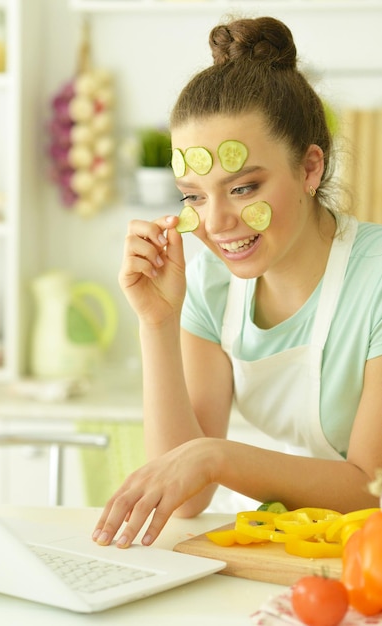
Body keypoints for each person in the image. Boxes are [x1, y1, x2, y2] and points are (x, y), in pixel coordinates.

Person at [93, 15, 382, 549]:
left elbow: (369, 489)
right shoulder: (210, 284)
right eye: (193, 196)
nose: (217, 221)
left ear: (309, 169)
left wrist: (215, 456)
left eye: (244, 187)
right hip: (303, 550)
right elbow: (185, 499)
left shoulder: (377, 279)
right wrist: (157, 322)